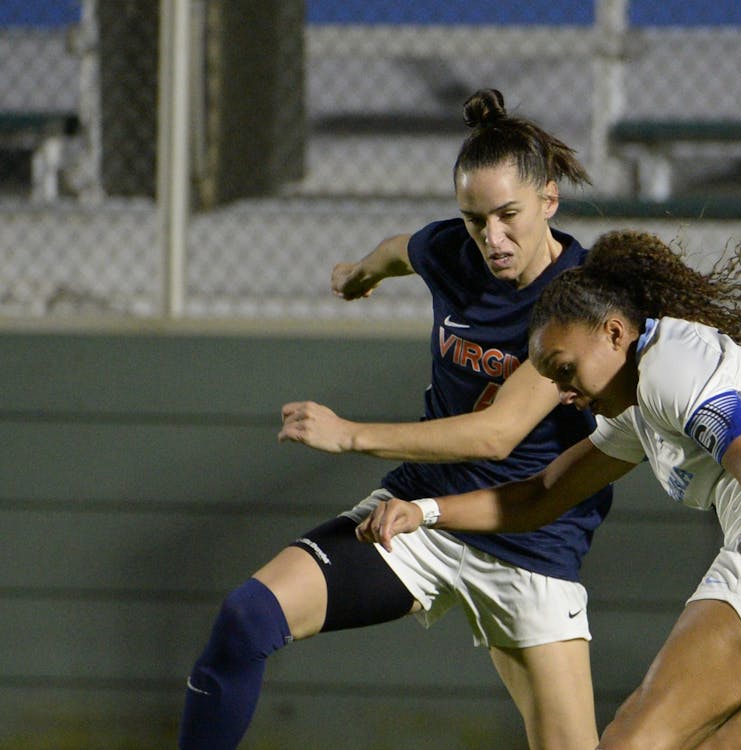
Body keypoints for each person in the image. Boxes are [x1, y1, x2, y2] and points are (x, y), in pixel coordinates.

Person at [360, 229, 741, 750]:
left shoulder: (668, 364)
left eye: (564, 369)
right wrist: (426, 511)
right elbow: (539, 496)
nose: (561, 392)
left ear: (613, 333)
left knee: (631, 740)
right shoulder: (639, 407)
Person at [178, 89, 613, 750]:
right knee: (247, 618)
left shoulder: (578, 298)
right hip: (415, 515)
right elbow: (402, 250)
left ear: (549, 200)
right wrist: (360, 274)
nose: (492, 239)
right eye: (474, 220)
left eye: (508, 216)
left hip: (528, 544)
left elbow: (497, 434)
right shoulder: (453, 250)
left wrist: (349, 434)